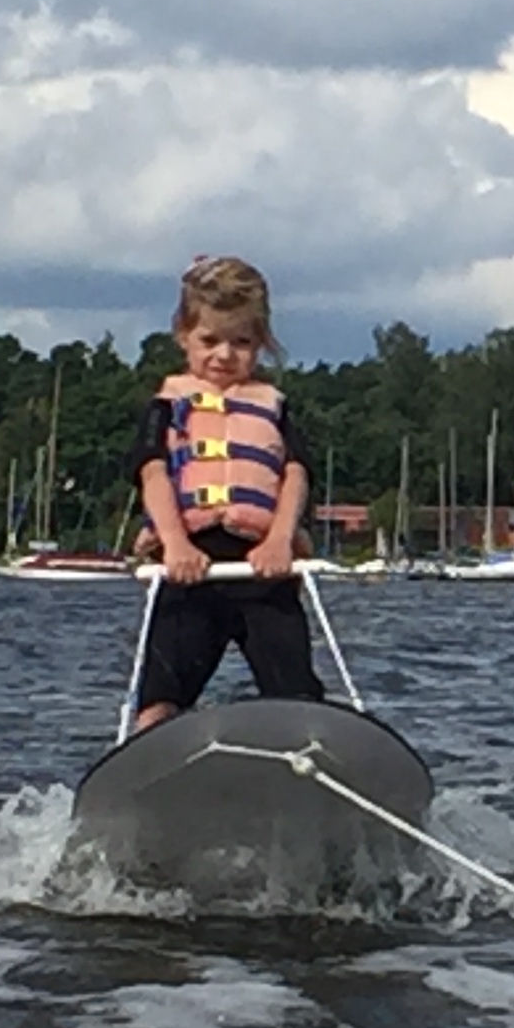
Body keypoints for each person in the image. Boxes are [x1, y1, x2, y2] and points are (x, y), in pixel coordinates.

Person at [127, 255, 325, 731]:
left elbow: (295, 472)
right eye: (209, 341)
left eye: (241, 343)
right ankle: (148, 753)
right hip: (191, 568)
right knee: (161, 694)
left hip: (262, 566)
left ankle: (310, 764)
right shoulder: (168, 405)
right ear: (183, 336)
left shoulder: (272, 407)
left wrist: (279, 539)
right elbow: (151, 471)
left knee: (294, 688)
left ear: (261, 343)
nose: (224, 355)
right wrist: (175, 544)